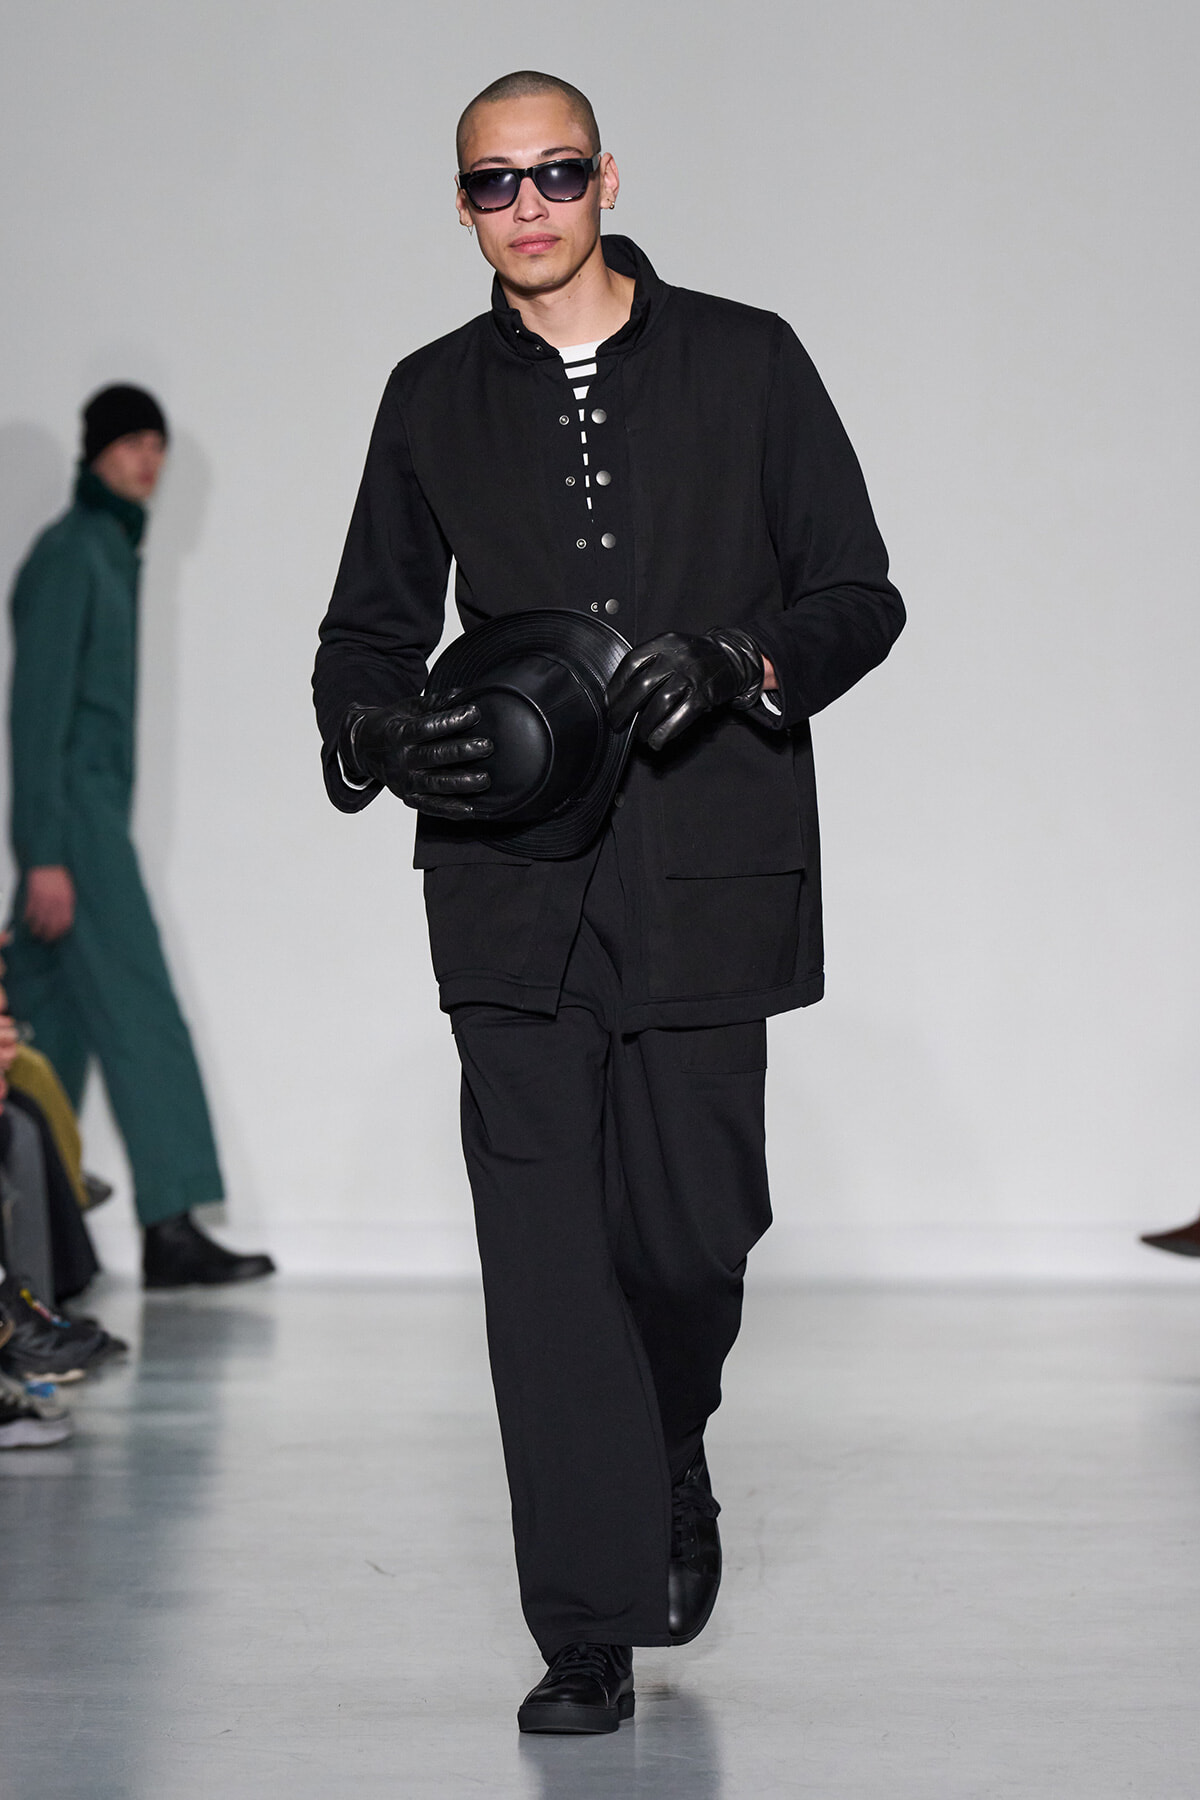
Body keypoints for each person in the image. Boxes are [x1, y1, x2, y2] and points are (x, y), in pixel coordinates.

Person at [314, 70, 904, 1733]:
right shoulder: (429, 397)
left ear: (608, 179)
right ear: (462, 207)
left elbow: (856, 592)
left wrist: (743, 658)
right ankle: (587, 1625)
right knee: (543, 1261)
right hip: (505, 878)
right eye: (493, 184)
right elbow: (364, 634)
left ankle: (670, 1444)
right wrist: (374, 733)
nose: (529, 207)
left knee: (693, 1238)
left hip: (709, 869)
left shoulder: (749, 360)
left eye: (555, 173)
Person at [4, 384, 275, 1290]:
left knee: (42, 1022)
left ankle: (34, 1242)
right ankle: (171, 1225)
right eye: (131, 444)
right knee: (142, 1010)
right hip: (75, 823)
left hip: (85, 817)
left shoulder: (110, 550)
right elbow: (35, 715)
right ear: (95, 453)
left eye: (157, 445)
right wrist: (44, 850)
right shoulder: (73, 553)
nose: (148, 460)